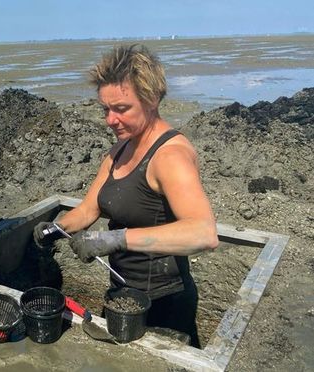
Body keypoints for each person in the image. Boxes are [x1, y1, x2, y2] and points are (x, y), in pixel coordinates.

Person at [33, 44, 218, 347]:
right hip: (121, 293)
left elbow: (204, 232)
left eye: (121, 109)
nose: (110, 120)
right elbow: (89, 209)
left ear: (152, 99)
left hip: (164, 301)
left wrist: (113, 239)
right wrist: (57, 228)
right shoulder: (119, 149)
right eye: (105, 109)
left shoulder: (170, 156)